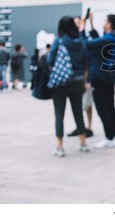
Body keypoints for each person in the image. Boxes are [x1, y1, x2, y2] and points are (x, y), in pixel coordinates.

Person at [79, 13, 115, 149]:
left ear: (109, 23)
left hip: (99, 78)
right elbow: (98, 41)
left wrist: (82, 27)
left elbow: (87, 44)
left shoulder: (107, 39)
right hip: (109, 78)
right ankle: (114, 136)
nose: (103, 22)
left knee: (102, 109)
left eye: (105, 20)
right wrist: (91, 23)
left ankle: (109, 138)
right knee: (110, 107)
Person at [47, 16, 89, 157]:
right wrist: (84, 81)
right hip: (77, 82)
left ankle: (60, 147)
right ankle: (83, 143)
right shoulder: (81, 43)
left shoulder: (58, 41)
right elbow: (85, 63)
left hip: (61, 83)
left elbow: (50, 60)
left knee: (59, 114)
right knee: (78, 112)